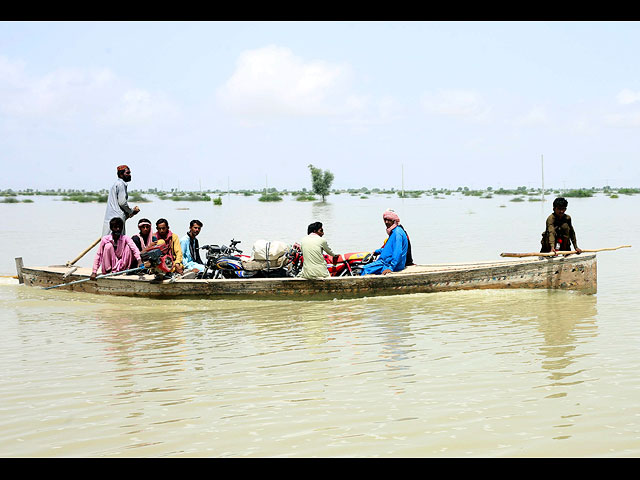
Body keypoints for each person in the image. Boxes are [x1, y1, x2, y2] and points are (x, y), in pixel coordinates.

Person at [360, 209, 408, 276]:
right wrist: (377, 251)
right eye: (385, 220)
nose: (386, 222)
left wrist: (391, 268)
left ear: (394, 221)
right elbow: (389, 249)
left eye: (389, 220)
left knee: (365, 269)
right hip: (386, 262)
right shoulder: (394, 232)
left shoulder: (397, 233)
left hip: (389, 264)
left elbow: (398, 252)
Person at [102, 165, 140, 236]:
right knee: (118, 240)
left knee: (107, 238)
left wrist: (129, 213)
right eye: (127, 173)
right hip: (117, 219)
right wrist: (131, 211)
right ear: (121, 174)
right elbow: (122, 203)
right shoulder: (121, 184)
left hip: (111, 217)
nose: (130, 175)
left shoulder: (117, 184)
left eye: (130, 173)